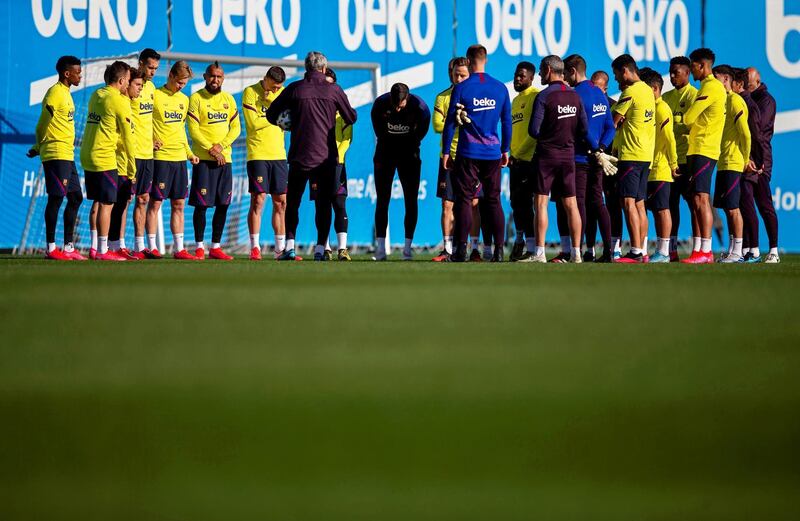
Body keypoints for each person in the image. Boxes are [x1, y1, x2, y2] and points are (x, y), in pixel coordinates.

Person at [266, 51, 357, 261]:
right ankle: (319, 250)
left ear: (306, 68)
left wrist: (289, 123)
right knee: (323, 204)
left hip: (299, 155)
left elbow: (271, 114)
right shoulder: (334, 89)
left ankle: (289, 247)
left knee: (294, 203)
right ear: (324, 69)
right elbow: (351, 117)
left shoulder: (295, 88)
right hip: (326, 158)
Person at [441, 44, 511, 262]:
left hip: (468, 152)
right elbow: (507, 122)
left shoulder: (462, 88)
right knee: (493, 201)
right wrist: (505, 149)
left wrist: (445, 152)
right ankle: (499, 252)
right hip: (492, 152)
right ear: (486, 60)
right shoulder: (500, 88)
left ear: (469, 62)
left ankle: (460, 250)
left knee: (464, 200)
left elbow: (450, 122)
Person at [528, 55, 597, 263]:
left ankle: (539, 253)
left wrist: (551, 136)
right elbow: (584, 129)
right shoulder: (575, 97)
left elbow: (533, 130)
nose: (540, 74)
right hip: (568, 157)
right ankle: (576, 253)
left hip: (547, 156)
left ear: (549, 70)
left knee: (541, 203)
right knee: (572, 205)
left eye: (541, 70)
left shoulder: (544, 96)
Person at [28, 55, 85, 260]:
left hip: (67, 154)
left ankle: (69, 247)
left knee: (76, 197)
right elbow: (42, 123)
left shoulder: (67, 94)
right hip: (55, 153)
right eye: (77, 72)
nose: (81, 75)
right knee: (56, 198)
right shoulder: (54, 93)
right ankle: (51, 248)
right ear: (66, 73)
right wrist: (38, 144)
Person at [79, 60, 136, 261]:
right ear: (121, 81)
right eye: (128, 80)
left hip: (87, 155)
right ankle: (104, 251)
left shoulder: (97, 95)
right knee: (107, 204)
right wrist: (132, 168)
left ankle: (95, 248)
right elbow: (129, 139)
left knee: (97, 202)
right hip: (104, 157)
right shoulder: (119, 101)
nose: (129, 84)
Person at [563, 54, 616, 263]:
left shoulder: (576, 94)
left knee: (580, 204)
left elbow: (582, 129)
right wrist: (601, 149)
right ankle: (609, 252)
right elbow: (610, 127)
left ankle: (579, 250)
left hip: (580, 157)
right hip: (597, 159)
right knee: (598, 203)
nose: (566, 78)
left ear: (573, 71)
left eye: (567, 73)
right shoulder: (600, 93)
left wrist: (595, 149)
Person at [187, 61, 241, 261]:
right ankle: (200, 246)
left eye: (219, 77)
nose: (215, 80)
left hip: (224, 160)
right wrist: (211, 149)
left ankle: (216, 247)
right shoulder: (196, 98)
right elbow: (193, 130)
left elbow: (236, 128)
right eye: (212, 76)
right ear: (205, 77)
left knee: (223, 204)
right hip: (203, 160)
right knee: (201, 205)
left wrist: (221, 147)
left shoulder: (229, 100)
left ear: (223, 78)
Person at [370, 83, 431, 261]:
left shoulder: (420, 108)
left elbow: (421, 132)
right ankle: (380, 249)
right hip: (385, 154)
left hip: (409, 156)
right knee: (382, 200)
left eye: (400, 105)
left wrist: (408, 144)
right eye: (394, 105)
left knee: (411, 201)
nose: (397, 109)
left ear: (407, 98)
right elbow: (380, 133)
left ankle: (407, 249)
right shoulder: (380, 105)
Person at [679, 48, 727, 264]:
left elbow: (689, 118)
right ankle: (701, 249)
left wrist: (675, 124)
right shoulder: (711, 87)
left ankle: (706, 251)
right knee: (698, 199)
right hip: (700, 148)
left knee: (701, 199)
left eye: (692, 66)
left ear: (701, 65)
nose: (691, 71)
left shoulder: (711, 87)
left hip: (703, 149)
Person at [610, 54, 656, 263]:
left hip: (631, 153)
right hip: (646, 155)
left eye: (617, 75)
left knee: (628, 202)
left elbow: (613, 122)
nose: (617, 80)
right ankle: (643, 250)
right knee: (639, 204)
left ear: (626, 71)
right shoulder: (647, 90)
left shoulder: (630, 92)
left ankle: (635, 251)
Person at [243, 66, 290, 261]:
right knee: (259, 199)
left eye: (279, 87)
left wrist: (275, 112)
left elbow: (288, 122)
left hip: (278, 154)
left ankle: (280, 249)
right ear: (265, 79)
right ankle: (255, 247)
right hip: (258, 154)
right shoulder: (250, 92)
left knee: (281, 202)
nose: (275, 90)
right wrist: (273, 113)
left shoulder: (283, 93)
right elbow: (253, 124)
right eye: (273, 86)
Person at [711, 65, 752, 263]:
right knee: (727, 208)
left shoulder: (736, 100)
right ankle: (731, 250)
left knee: (734, 208)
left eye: (716, 78)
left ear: (726, 79)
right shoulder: (722, 101)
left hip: (734, 162)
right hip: (723, 162)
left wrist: (745, 159)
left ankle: (738, 252)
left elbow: (745, 133)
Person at [431, 57, 469, 262]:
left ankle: (472, 248)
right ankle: (447, 248)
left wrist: (452, 122)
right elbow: (437, 126)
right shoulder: (443, 97)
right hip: (448, 157)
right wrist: (457, 120)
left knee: (472, 203)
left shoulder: (474, 95)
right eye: (456, 75)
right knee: (447, 204)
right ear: (451, 74)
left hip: (471, 156)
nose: (459, 78)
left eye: (463, 75)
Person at [661, 56, 698, 261]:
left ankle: (699, 248)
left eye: (676, 72)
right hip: (669, 161)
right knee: (670, 205)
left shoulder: (695, 96)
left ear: (688, 73)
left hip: (688, 160)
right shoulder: (666, 97)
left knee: (695, 205)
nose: (672, 75)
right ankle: (671, 249)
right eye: (670, 71)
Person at [638, 68, 677, 263]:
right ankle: (644, 251)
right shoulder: (650, 109)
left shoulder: (662, 109)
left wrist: (673, 163)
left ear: (654, 88)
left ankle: (664, 251)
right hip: (650, 167)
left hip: (661, 168)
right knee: (650, 210)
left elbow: (670, 139)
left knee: (662, 209)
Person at [107, 68, 145, 260]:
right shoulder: (118, 102)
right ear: (126, 83)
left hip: (127, 162)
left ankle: (116, 245)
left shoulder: (131, 104)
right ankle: (104, 247)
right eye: (137, 85)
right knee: (108, 205)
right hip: (115, 162)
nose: (140, 89)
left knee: (121, 204)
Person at [744, 66, 780, 263]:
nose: (747, 89)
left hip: (761, 159)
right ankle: (751, 249)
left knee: (764, 205)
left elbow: (758, 131)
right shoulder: (747, 98)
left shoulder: (766, 100)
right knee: (746, 204)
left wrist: (758, 161)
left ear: (757, 82)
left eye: (749, 85)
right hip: (747, 158)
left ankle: (774, 249)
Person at [731, 67, 765, 263]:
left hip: (748, 163)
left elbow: (756, 136)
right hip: (743, 161)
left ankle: (754, 250)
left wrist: (757, 161)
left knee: (747, 206)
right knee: (743, 206)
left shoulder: (748, 104)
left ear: (738, 84)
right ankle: (745, 250)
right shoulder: (741, 102)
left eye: (730, 82)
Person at [130, 48, 160, 259]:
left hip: (147, 153)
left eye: (156, 68)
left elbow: (149, 119)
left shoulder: (151, 89)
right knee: (123, 200)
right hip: (130, 153)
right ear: (140, 63)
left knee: (143, 198)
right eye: (150, 67)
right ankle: (114, 244)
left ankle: (139, 246)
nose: (152, 72)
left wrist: (153, 138)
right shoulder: (130, 86)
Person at [508, 61, 539, 262]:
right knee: (516, 203)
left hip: (530, 160)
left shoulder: (536, 97)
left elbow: (535, 133)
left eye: (522, 76)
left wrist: (518, 152)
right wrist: (510, 153)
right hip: (515, 161)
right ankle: (519, 241)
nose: (517, 79)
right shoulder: (515, 100)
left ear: (531, 78)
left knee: (528, 206)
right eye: (516, 75)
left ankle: (531, 246)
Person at [324, 67, 353, 261]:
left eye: (330, 84)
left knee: (339, 204)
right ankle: (324, 248)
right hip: (318, 163)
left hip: (337, 164)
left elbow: (347, 138)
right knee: (322, 205)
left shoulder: (343, 112)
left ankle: (342, 249)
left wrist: (337, 156)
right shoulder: (315, 109)